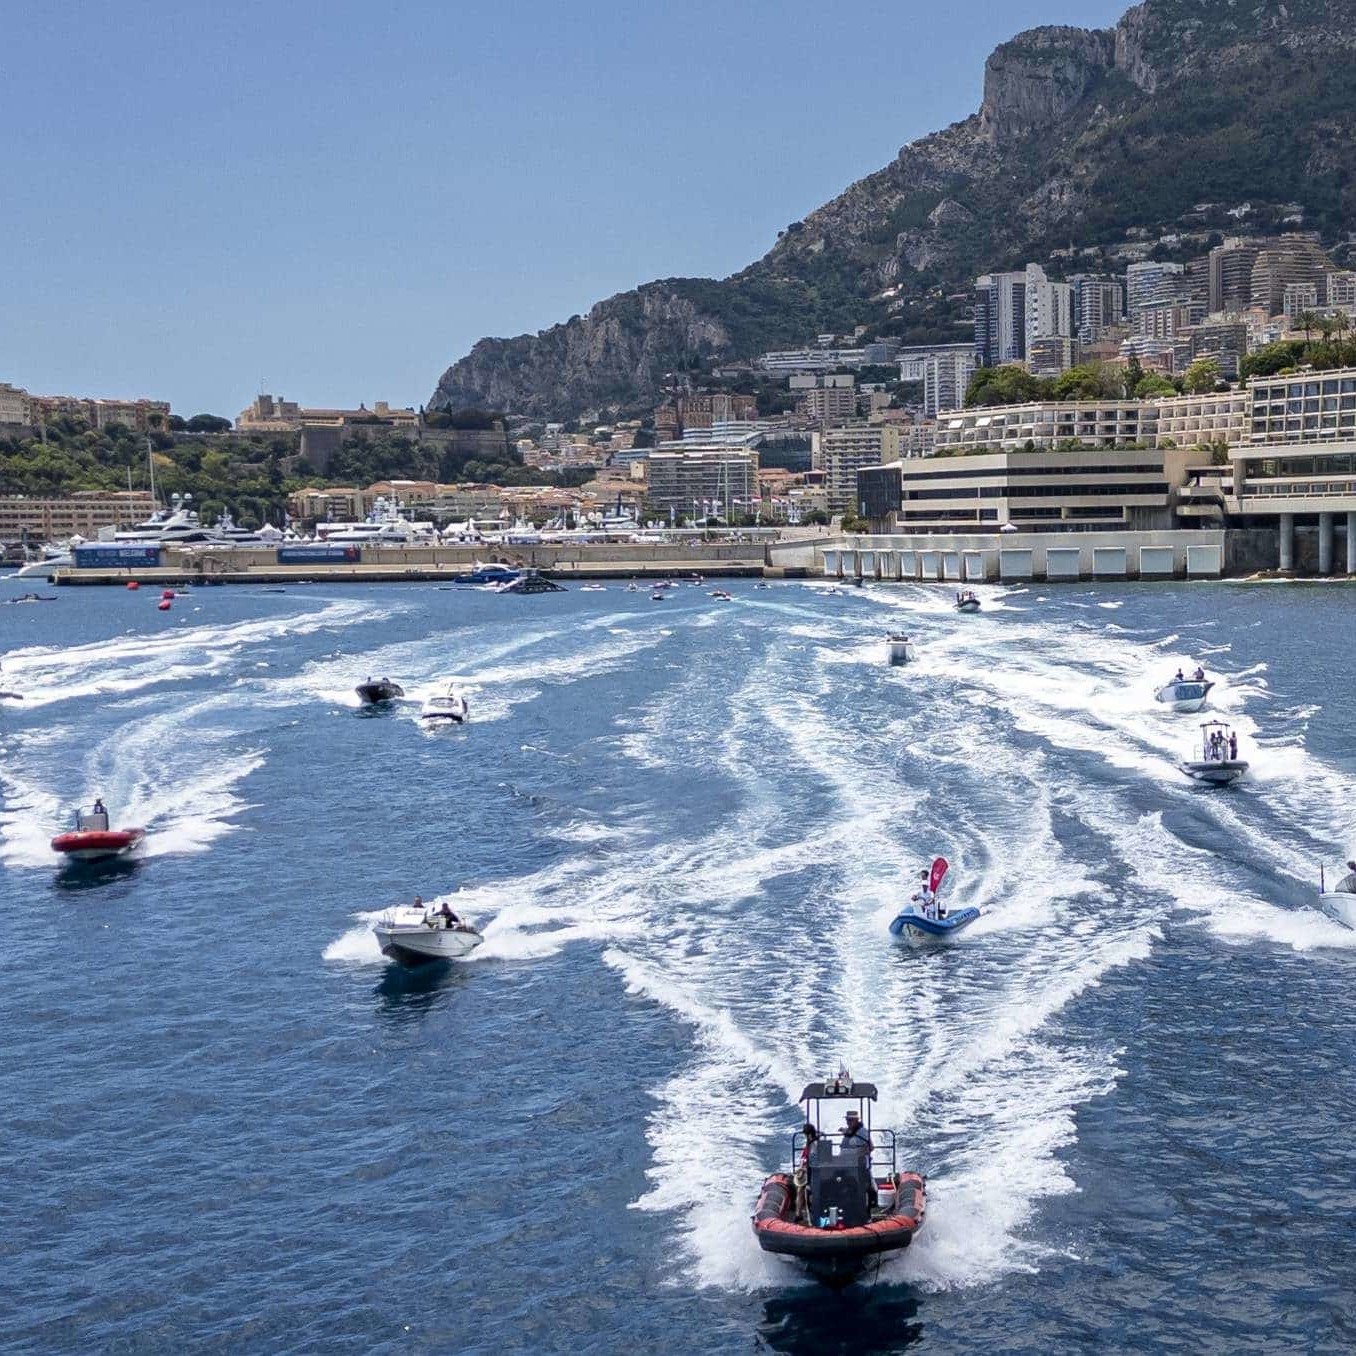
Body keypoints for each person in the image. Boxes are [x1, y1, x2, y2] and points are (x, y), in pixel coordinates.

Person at [841, 1109, 877, 1207]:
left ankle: (866, 1206)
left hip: (860, 1164)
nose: (848, 1122)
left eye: (851, 1120)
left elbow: (870, 1147)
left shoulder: (862, 1132)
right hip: (847, 1164)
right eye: (847, 1120)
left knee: (863, 1186)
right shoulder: (849, 1132)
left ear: (856, 1120)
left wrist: (856, 1155)